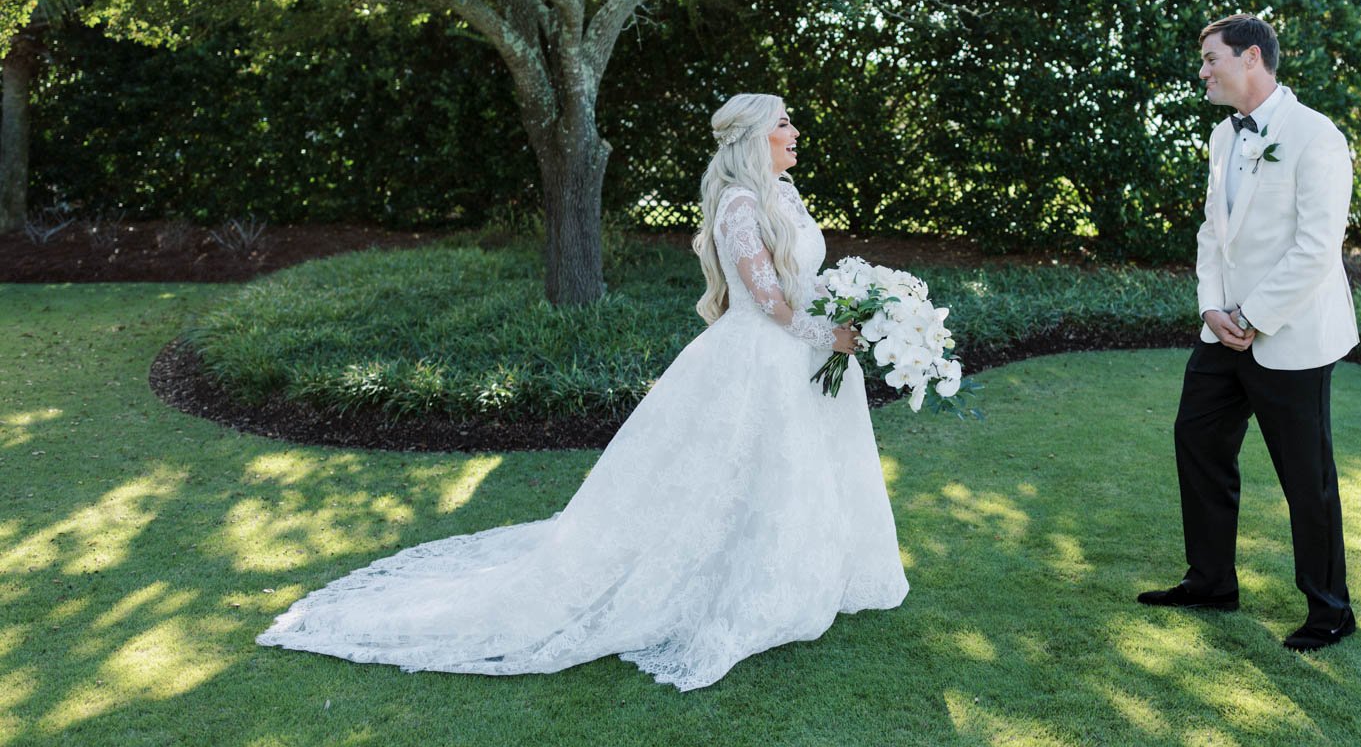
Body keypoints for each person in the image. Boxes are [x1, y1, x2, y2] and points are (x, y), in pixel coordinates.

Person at [258, 93, 908, 690]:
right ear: (754, 137)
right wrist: (831, 334)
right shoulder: (739, 203)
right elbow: (765, 298)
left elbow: (800, 279)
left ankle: (799, 580)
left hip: (799, 356)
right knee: (733, 480)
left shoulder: (783, 195)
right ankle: (737, 593)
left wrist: (856, 308)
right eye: (783, 122)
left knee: (790, 478)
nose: (794, 130)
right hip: (761, 357)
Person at [1137, 14, 1360, 652]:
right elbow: (1214, 232)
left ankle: (1330, 610)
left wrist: (1253, 317)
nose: (1203, 71)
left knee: (1305, 476)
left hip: (1289, 337)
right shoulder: (1220, 136)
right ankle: (1210, 582)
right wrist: (1213, 308)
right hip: (1221, 332)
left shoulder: (1317, 137)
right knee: (1197, 443)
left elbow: (1317, 249)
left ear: (1251, 57)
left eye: (1211, 59)